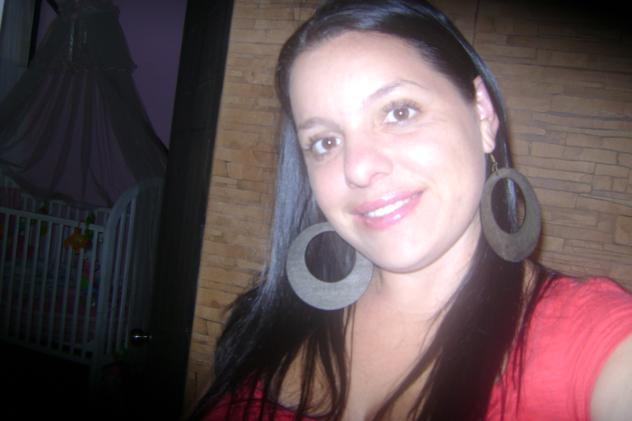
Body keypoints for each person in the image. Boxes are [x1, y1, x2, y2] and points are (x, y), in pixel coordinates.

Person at [192, 0, 632, 419]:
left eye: (399, 112)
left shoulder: (594, 339)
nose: (358, 168)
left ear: (482, 114)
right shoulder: (262, 323)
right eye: (325, 142)